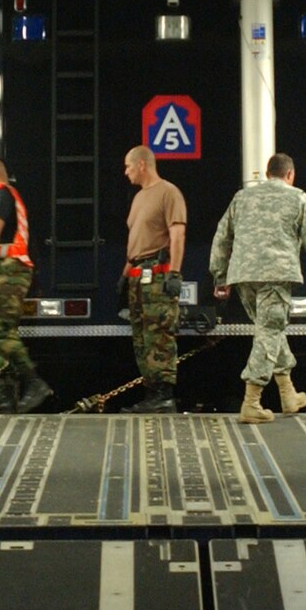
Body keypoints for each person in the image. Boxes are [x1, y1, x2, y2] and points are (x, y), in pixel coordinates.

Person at [208, 153, 306, 424]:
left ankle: (288, 393)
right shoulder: (298, 197)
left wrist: (220, 277)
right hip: (276, 274)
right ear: (290, 175)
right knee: (269, 332)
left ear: (268, 174)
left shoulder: (241, 198)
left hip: (243, 275)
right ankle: (251, 402)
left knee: (270, 331)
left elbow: (222, 236)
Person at [0, 157, 52, 413]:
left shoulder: (1, 195)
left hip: (7, 270)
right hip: (5, 270)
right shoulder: (6, 196)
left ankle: (33, 382)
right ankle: (6, 394)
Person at [121, 145, 187, 411]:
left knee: (158, 336)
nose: (125, 172)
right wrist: (124, 276)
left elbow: (177, 235)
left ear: (142, 165)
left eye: (128, 166)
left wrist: (175, 273)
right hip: (137, 277)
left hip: (157, 277)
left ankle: (164, 395)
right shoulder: (138, 198)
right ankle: (152, 395)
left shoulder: (168, 193)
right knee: (141, 338)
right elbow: (137, 241)